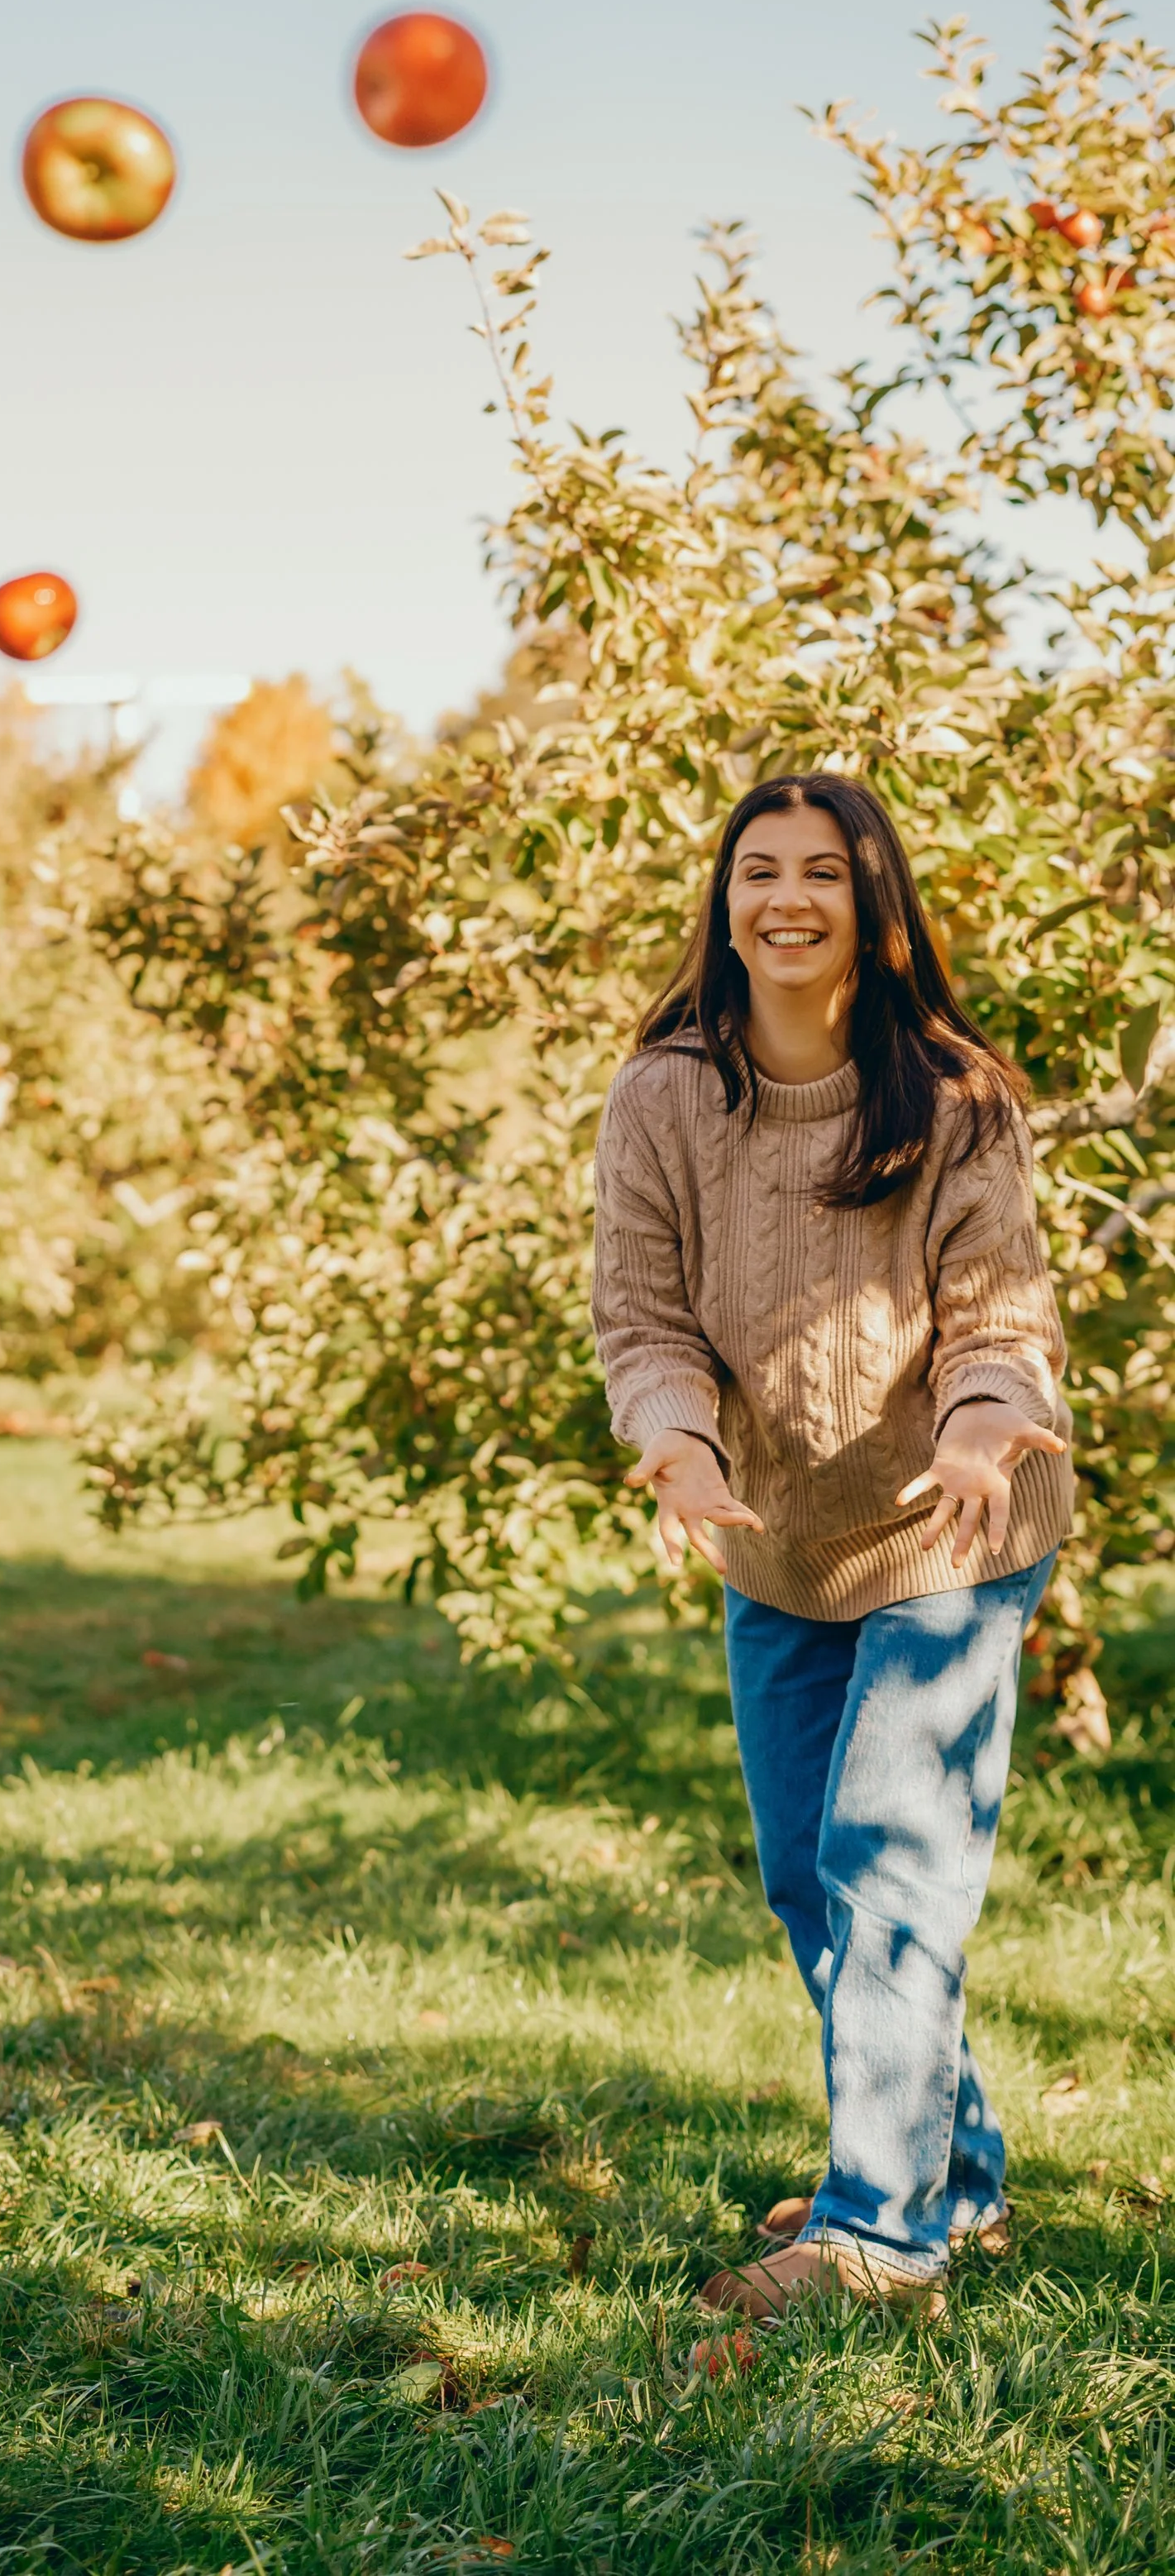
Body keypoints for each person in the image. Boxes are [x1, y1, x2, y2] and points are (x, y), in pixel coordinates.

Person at [590, 771, 1069, 2325]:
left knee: (890, 1860)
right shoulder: (665, 1091)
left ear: (875, 903)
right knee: (811, 1874)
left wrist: (982, 1427)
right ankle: (959, 2176)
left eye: (821, 873)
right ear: (724, 903)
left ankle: (878, 2238)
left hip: (953, 1525)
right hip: (777, 1536)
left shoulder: (954, 1097)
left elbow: (1000, 1308)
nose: (785, 898)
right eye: (757, 872)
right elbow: (643, 1312)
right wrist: (674, 1439)